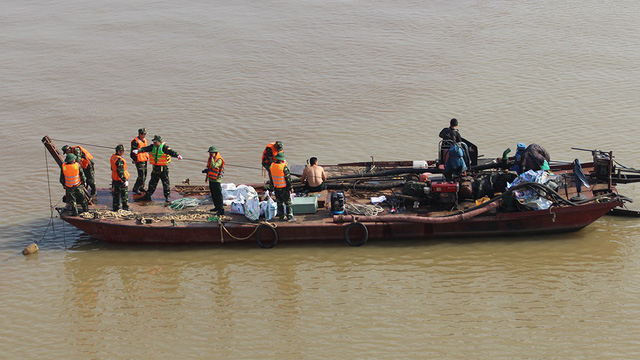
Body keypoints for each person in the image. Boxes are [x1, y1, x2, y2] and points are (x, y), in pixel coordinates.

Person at [134, 135, 182, 202]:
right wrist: (138, 150)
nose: (154, 143)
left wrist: (177, 155)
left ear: (160, 142)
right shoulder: (152, 147)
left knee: (165, 184)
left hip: (163, 169)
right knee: (152, 183)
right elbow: (145, 149)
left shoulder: (164, 147)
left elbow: (171, 152)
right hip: (155, 168)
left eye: (156, 142)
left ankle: (167, 197)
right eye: (154, 142)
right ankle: (147, 196)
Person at [269, 152, 294, 221]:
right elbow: (288, 179)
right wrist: (291, 187)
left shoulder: (272, 166)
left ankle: (281, 216)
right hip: (284, 188)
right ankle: (289, 217)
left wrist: (271, 189)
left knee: (279, 203)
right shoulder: (283, 167)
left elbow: (271, 178)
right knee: (287, 202)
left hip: (276, 187)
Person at [202, 145, 225, 215]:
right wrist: (206, 171)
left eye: (211, 153)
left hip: (216, 180)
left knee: (218, 195)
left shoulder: (219, 160)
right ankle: (216, 207)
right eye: (209, 153)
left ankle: (221, 209)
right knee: (213, 194)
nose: (210, 154)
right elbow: (211, 168)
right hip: (211, 179)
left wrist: (212, 158)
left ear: (215, 153)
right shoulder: (211, 159)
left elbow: (214, 166)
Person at [111, 144, 130, 211]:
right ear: (119, 151)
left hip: (115, 179)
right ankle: (125, 208)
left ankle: (115, 208)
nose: (123, 152)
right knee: (124, 194)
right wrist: (124, 180)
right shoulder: (119, 160)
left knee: (116, 194)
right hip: (120, 180)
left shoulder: (113, 157)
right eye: (122, 151)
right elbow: (120, 171)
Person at [130, 128, 149, 195]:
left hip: (145, 159)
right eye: (143, 134)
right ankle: (136, 188)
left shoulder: (144, 140)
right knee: (141, 175)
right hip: (139, 160)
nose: (144, 135)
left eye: (145, 134)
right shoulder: (135, 142)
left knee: (145, 174)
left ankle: (141, 187)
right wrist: (134, 160)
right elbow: (132, 153)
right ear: (140, 134)